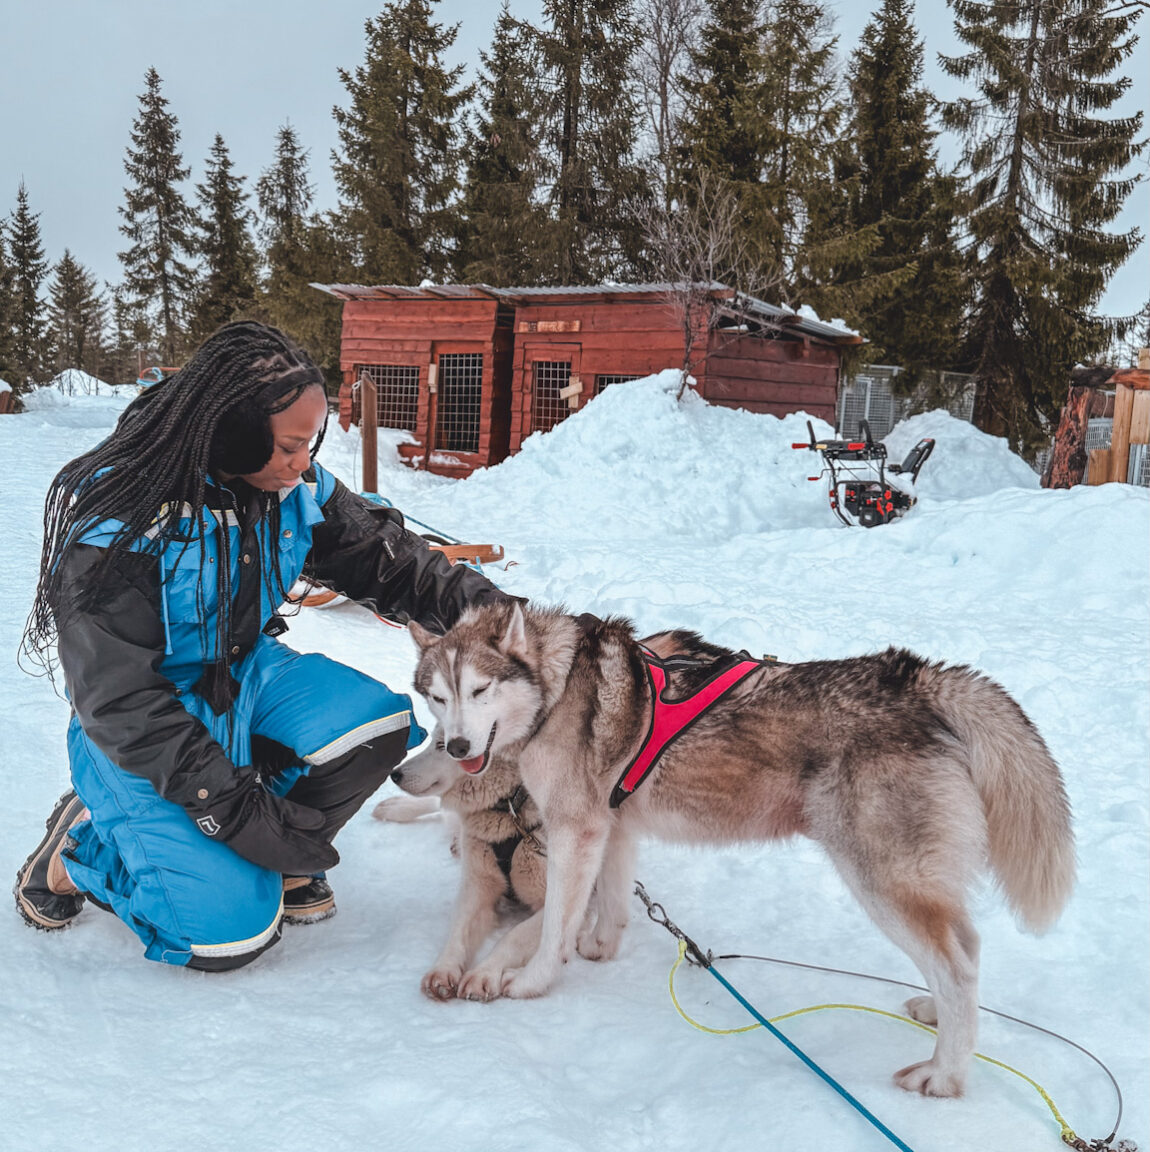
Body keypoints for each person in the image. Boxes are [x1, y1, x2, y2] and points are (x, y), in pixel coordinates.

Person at [14, 320, 508, 971]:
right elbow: (121, 698)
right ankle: (81, 852)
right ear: (229, 432)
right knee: (226, 937)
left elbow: (394, 565)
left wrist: (509, 623)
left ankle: (262, 857)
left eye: (313, 441)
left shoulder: (287, 484)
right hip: (140, 724)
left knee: (377, 723)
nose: (305, 462)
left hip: (241, 674)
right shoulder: (118, 514)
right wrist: (232, 808)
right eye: (291, 446)